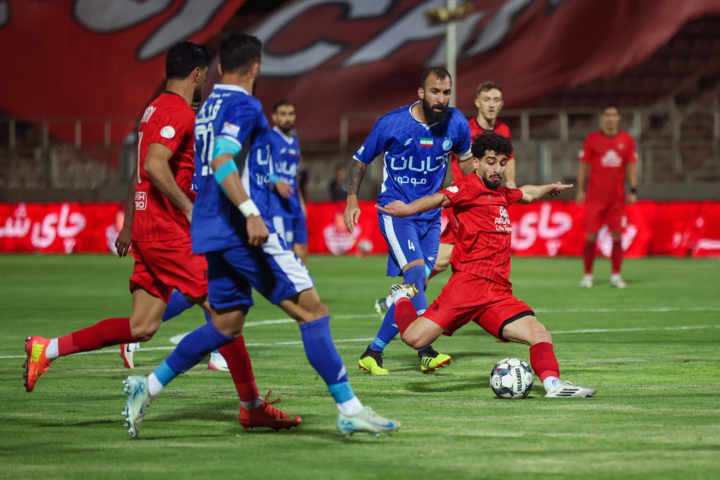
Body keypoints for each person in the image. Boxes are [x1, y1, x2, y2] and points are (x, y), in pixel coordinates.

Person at [121, 33, 400, 439]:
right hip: (242, 231)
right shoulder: (245, 105)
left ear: (219, 68)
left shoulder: (207, 105)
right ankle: (350, 409)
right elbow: (222, 159)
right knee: (314, 311)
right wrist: (251, 212)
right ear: (256, 68)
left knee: (226, 324)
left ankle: (146, 388)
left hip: (210, 230)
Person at [24, 42, 292, 431]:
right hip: (169, 233)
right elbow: (153, 165)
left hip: (149, 230)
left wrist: (129, 224)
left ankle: (46, 349)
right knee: (227, 313)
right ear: (197, 74)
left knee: (142, 326)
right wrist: (188, 208)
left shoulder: (154, 110)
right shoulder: (178, 112)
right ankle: (249, 406)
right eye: (205, 77)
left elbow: (141, 170)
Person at [378, 133, 595, 398]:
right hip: (468, 285)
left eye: (502, 163)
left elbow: (527, 193)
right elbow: (439, 199)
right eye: (491, 162)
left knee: (539, 333)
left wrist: (547, 188)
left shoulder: (502, 194)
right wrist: (407, 210)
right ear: (476, 163)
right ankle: (400, 298)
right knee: (414, 339)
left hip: (498, 292)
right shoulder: (467, 187)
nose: (498, 169)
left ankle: (554, 386)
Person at [345, 67, 472, 375]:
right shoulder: (392, 123)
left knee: (415, 287)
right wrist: (351, 198)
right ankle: (425, 350)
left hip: (431, 218)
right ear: (421, 93)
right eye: (435, 92)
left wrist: (478, 196)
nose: (441, 98)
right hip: (396, 212)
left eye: (446, 92)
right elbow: (360, 159)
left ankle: (373, 352)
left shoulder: (457, 122)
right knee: (415, 276)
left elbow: (467, 164)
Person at [374, 80, 517, 318]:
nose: (491, 104)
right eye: (487, 99)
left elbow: (509, 158)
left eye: (496, 100)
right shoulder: (463, 127)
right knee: (461, 258)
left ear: (501, 104)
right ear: (477, 102)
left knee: (442, 261)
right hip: (463, 204)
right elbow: (438, 152)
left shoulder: (504, 131)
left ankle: (398, 299)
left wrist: (510, 181)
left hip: (484, 205)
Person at [576, 105, 638, 288]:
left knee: (617, 235)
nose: (611, 118)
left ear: (619, 118)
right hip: (595, 197)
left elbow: (632, 166)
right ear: (602, 118)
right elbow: (583, 166)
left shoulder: (627, 140)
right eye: (607, 115)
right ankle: (588, 275)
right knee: (591, 236)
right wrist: (580, 190)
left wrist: (633, 190)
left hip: (617, 198)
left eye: (614, 115)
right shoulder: (592, 139)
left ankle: (616, 275)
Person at [268, 99, 309, 264]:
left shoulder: (294, 140)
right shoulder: (269, 138)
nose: (288, 118)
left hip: (294, 203)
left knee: (302, 248)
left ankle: (302, 280)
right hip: (278, 204)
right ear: (274, 117)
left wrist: (301, 201)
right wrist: (276, 180)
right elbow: (257, 165)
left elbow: (295, 174)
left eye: (291, 114)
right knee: (285, 251)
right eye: (283, 114)